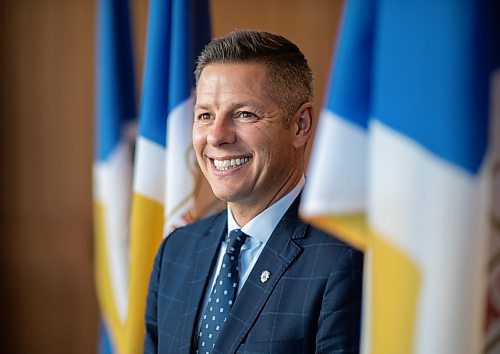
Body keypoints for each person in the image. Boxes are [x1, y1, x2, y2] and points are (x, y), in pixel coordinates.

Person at [144, 29, 363, 354]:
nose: (216, 137)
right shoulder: (176, 251)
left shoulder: (344, 259)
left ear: (301, 125)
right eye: (205, 115)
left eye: (244, 114)